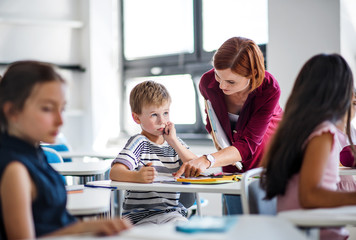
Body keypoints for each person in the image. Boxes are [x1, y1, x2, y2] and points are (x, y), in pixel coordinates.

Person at [0, 61, 131, 240]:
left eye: (62, 109)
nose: (61, 121)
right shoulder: (15, 169)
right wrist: (87, 227)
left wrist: (91, 226)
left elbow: (53, 224)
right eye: (47, 109)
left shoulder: (34, 153)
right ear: (12, 111)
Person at [174, 36, 283, 214]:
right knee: (234, 217)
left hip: (268, 153)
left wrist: (208, 159)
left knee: (263, 221)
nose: (222, 85)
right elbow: (213, 123)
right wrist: (220, 153)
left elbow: (249, 144)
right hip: (232, 153)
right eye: (218, 75)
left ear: (253, 75)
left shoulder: (269, 88)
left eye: (231, 81)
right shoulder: (208, 83)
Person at [261, 53, 356, 240]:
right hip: (316, 233)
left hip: (299, 230)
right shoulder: (322, 134)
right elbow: (310, 196)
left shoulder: (295, 129)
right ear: (339, 93)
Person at [110, 80, 197, 225]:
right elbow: (114, 172)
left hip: (172, 214)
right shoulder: (139, 142)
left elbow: (197, 166)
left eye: (165, 113)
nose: (162, 121)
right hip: (140, 217)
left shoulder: (175, 142)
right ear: (137, 118)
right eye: (154, 115)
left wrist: (174, 142)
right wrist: (137, 176)